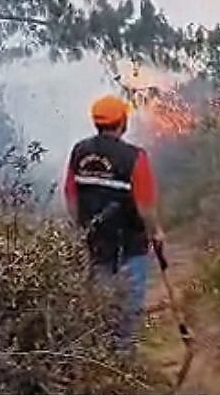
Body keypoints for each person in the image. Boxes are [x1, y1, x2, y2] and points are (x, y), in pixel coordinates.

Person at [63, 94, 165, 353]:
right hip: (130, 245)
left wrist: (80, 228)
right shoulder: (134, 157)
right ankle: (123, 362)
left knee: (100, 305)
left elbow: (71, 194)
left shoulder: (80, 152)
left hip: (95, 242)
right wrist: (156, 233)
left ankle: (102, 358)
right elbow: (145, 206)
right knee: (128, 309)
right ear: (122, 122)